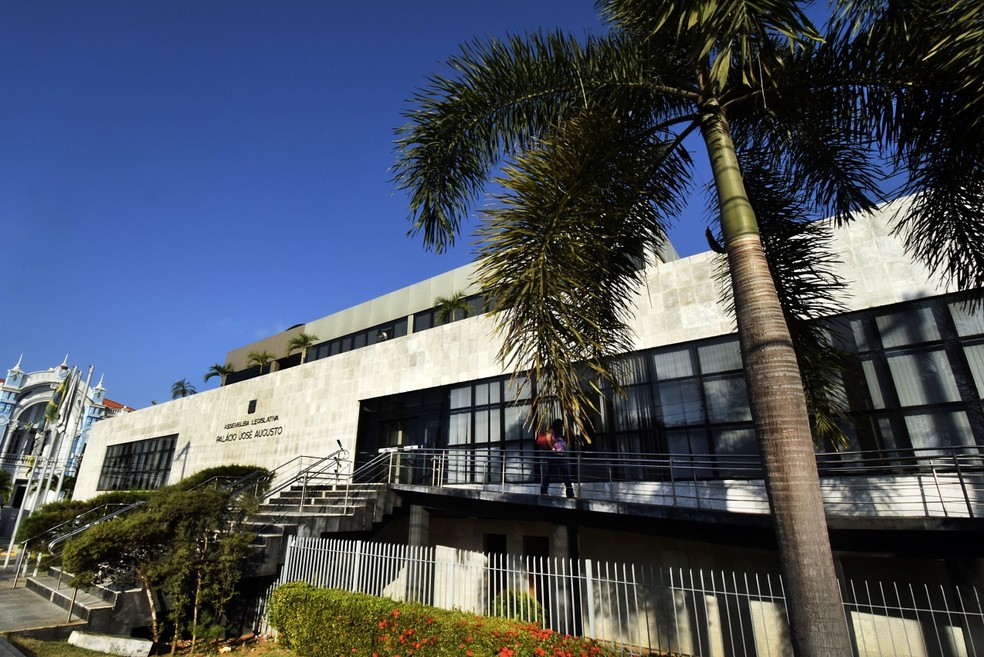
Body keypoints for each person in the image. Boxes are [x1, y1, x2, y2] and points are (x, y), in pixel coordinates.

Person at [540, 418, 575, 498]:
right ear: (558, 425)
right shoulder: (552, 430)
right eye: (561, 425)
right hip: (554, 456)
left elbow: (563, 443)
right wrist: (553, 449)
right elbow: (547, 439)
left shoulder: (560, 433)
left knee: (565, 474)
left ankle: (570, 493)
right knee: (550, 473)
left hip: (561, 455)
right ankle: (543, 490)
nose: (562, 427)